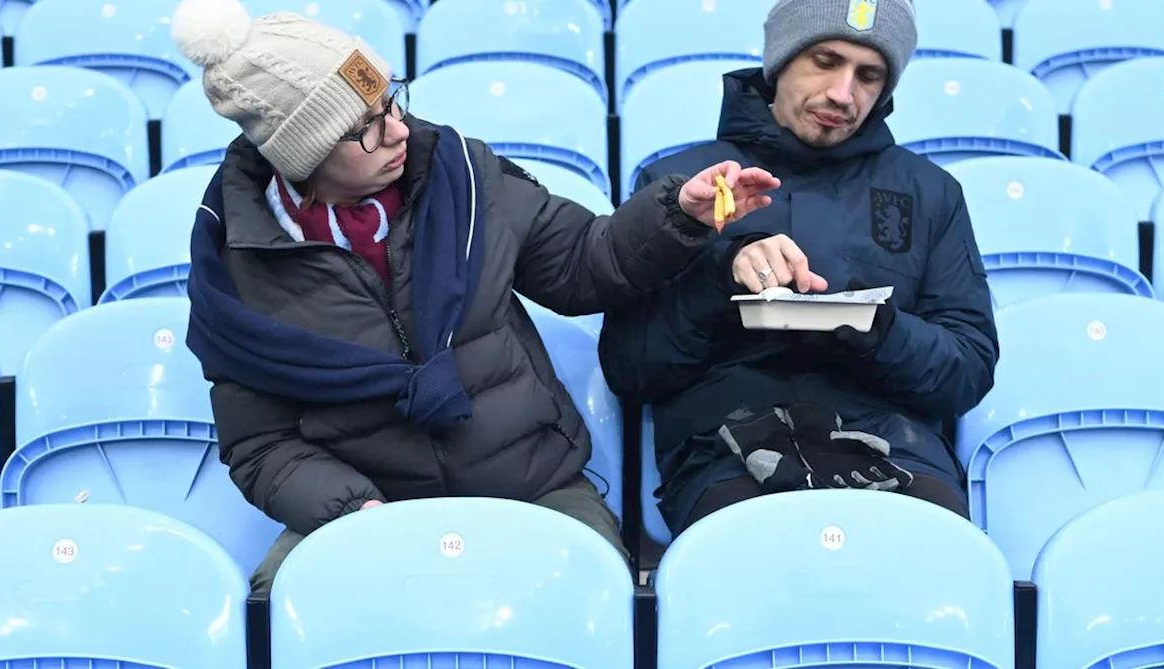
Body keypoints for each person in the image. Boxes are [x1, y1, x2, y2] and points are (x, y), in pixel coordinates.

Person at [170, 0, 780, 592]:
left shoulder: (461, 176)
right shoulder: (236, 263)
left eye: (392, 101)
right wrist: (355, 511)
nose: (397, 130)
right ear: (302, 155)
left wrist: (679, 214)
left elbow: (584, 262)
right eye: (365, 129)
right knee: (282, 604)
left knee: (599, 588)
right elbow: (261, 444)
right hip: (364, 504)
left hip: (531, 481)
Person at [598, 0, 1000, 536]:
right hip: (725, 449)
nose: (842, 93)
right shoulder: (681, 180)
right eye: (824, 60)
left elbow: (968, 368)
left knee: (936, 556)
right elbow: (632, 367)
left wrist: (879, 332)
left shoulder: (930, 193)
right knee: (760, 556)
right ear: (781, 61)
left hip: (896, 447)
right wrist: (722, 279)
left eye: (869, 75)